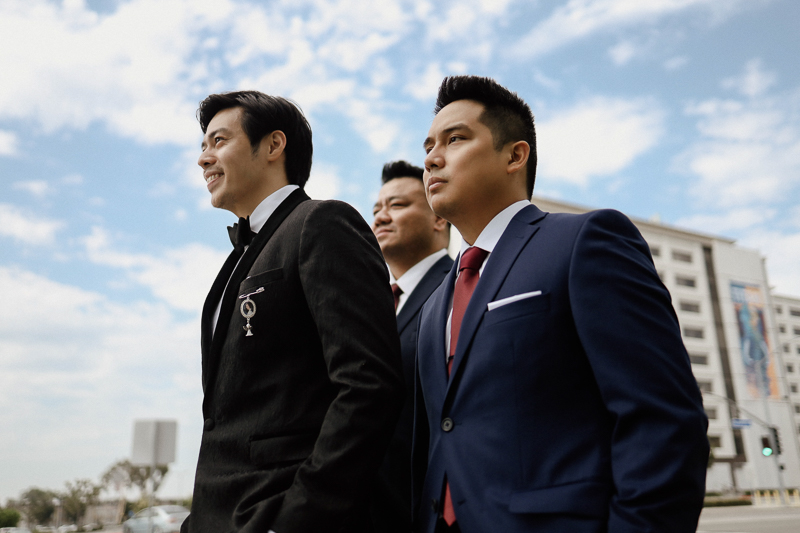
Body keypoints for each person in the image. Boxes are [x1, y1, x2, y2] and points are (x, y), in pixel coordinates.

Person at [412, 75, 709, 533]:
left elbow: (662, 421)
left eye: (455, 139)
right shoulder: (435, 305)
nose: (432, 158)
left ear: (515, 155)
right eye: (429, 146)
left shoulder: (584, 241)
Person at [183, 90, 404, 533]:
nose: (204, 158)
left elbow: (367, 386)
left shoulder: (321, 223)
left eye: (219, 141)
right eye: (203, 146)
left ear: (273, 145)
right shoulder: (236, 260)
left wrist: (296, 519)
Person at [370, 161, 454, 532]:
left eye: (398, 205)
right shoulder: (374, 304)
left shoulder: (461, 288)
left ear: (439, 218)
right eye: (377, 208)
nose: (381, 217)